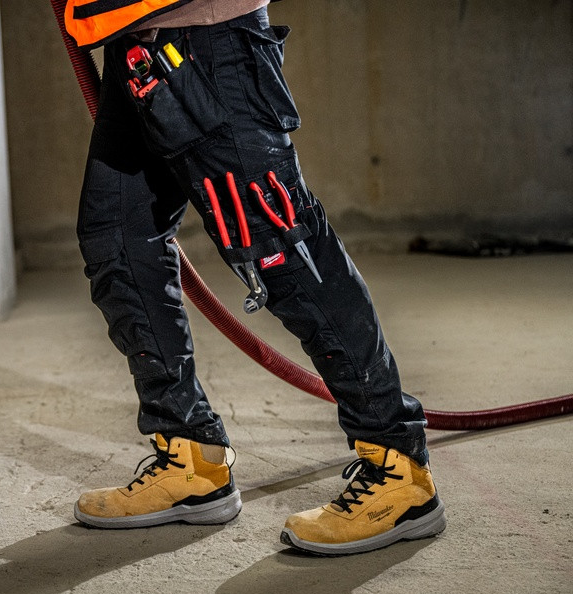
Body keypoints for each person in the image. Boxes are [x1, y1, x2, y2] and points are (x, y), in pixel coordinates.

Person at [65, 0, 446, 555]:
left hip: (207, 40)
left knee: (283, 250)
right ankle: (191, 457)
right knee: (116, 240)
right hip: (134, 46)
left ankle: (399, 469)